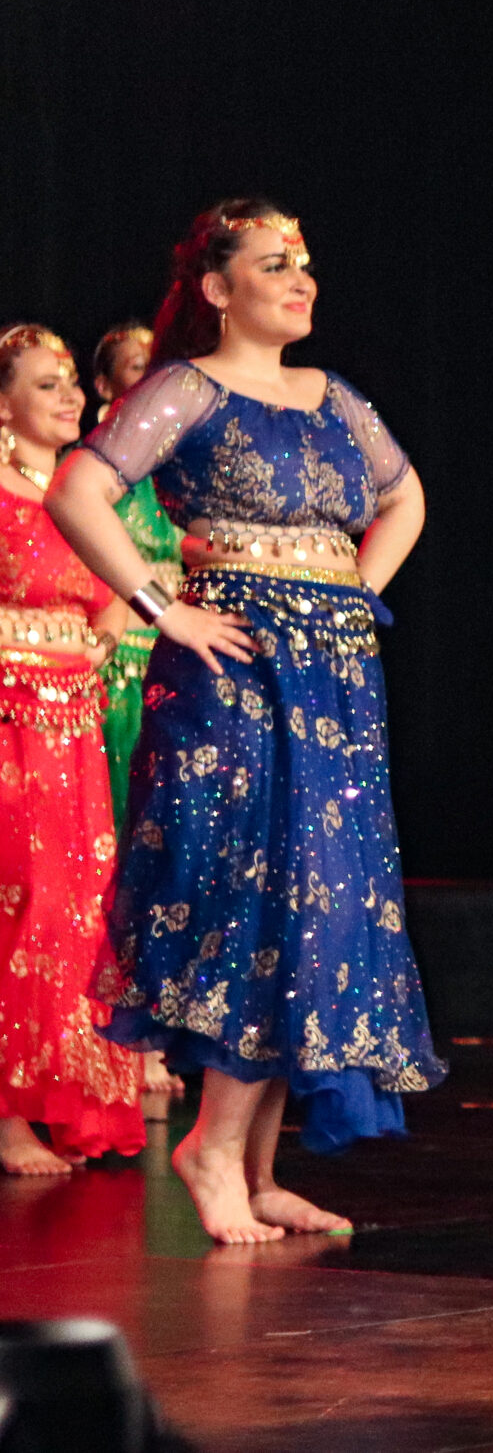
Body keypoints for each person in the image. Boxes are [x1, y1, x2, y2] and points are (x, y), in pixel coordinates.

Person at [49, 199, 442, 1242]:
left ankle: (259, 1168)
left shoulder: (334, 396)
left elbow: (405, 498)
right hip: (235, 668)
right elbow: (78, 489)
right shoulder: (188, 388)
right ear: (219, 288)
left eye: (304, 263)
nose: (300, 279)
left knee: (324, 899)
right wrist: (161, 606)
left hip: (334, 673)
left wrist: (356, 591)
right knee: (255, 889)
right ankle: (212, 1148)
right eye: (274, 264)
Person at [0, 325, 142, 1175]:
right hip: (9, 725)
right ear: (1, 403)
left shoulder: (82, 493)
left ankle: (62, 1099)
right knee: (17, 905)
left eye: (70, 382)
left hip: (73, 729)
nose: (70, 395)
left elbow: (120, 591)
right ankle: (8, 1118)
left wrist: (100, 642)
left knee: (74, 912)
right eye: (46, 383)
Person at [89, 322, 188, 1117]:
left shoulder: (183, 469)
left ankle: (161, 1030)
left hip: (182, 671)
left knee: (174, 856)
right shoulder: (98, 471)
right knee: (120, 851)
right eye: (134, 370)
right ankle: (123, 1038)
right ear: (105, 389)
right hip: (114, 676)